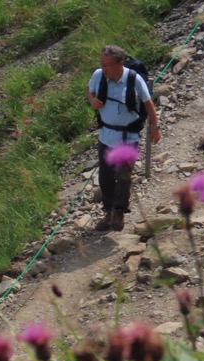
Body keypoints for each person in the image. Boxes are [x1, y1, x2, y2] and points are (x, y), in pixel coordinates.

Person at [86, 45, 162, 232]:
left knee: (123, 176)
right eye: (101, 64)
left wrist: (155, 127)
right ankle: (108, 211)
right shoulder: (98, 75)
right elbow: (89, 89)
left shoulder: (133, 80)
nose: (102, 68)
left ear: (120, 63)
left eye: (107, 65)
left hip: (128, 138)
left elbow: (148, 103)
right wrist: (92, 100)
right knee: (105, 178)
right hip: (106, 135)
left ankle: (118, 212)